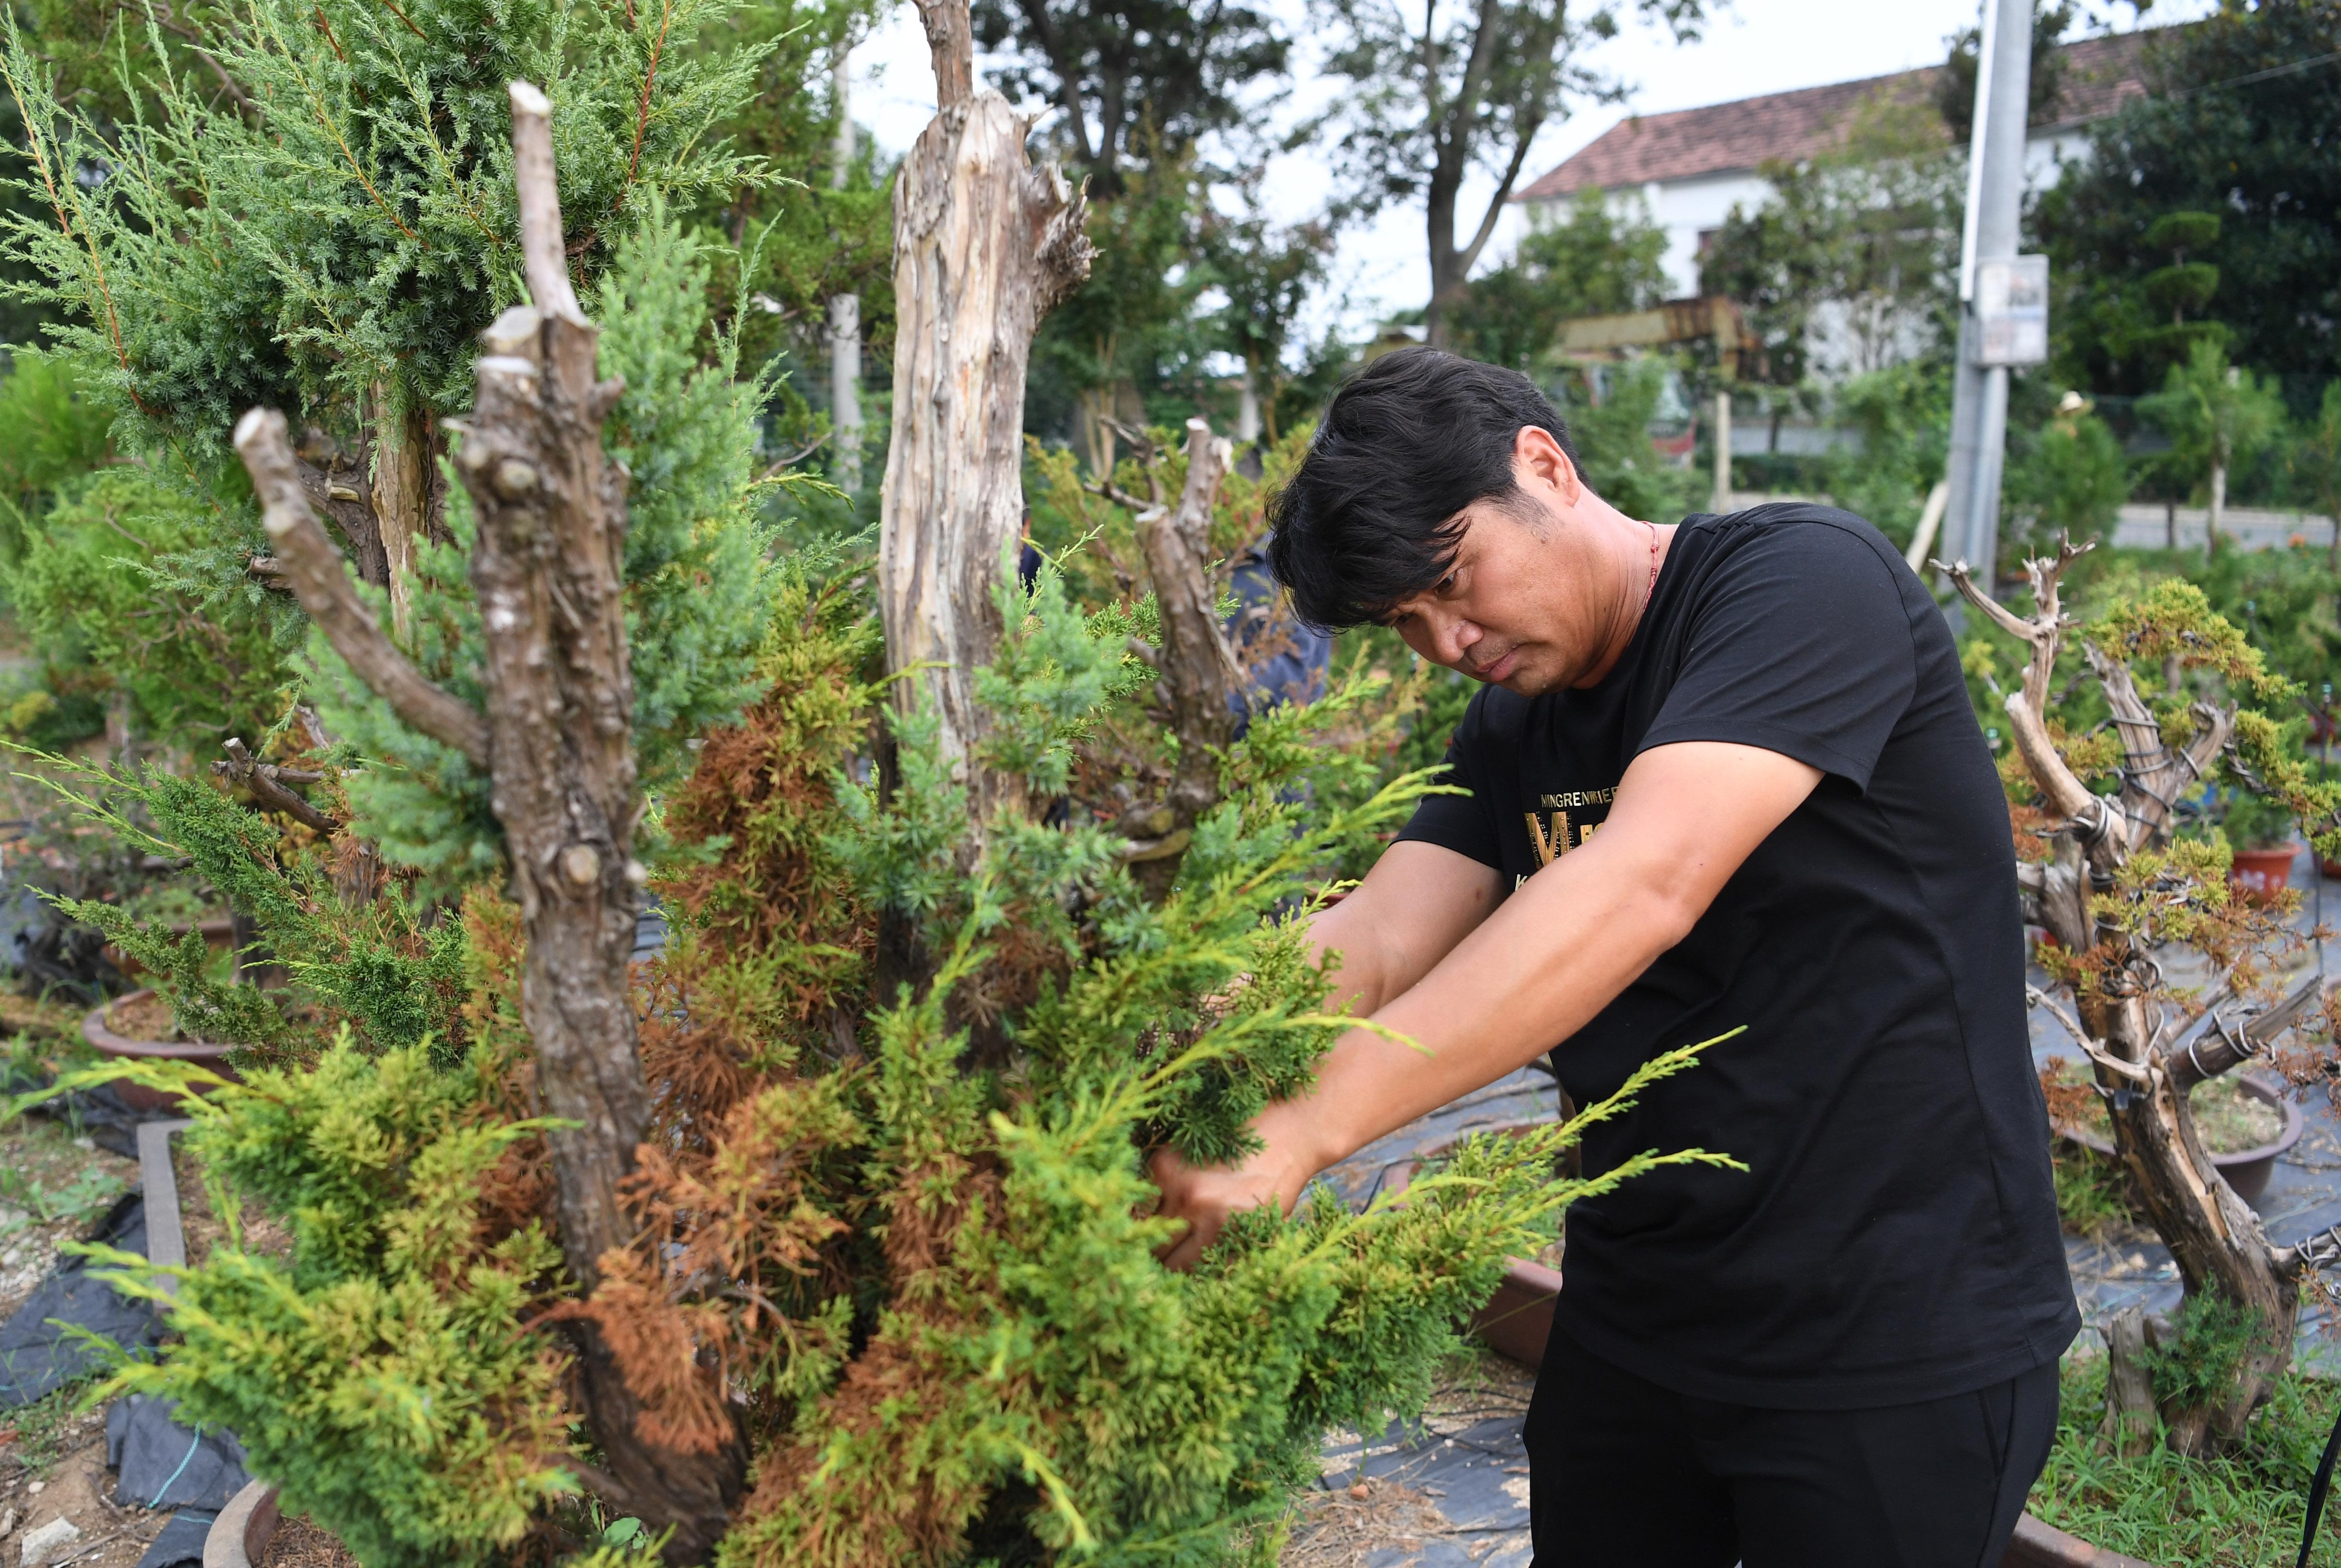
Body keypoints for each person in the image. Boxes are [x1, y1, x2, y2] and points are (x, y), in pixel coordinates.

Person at [1146, 349, 2077, 1568]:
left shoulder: (1799, 583)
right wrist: (1167, 1056)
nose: (1447, 640)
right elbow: (1375, 936)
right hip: (1640, 1318)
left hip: (1887, 1331)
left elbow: (1643, 884)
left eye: (1452, 581)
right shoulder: (1517, 716)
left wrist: (1308, 1129)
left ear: (1544, 466)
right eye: (1406, 625)